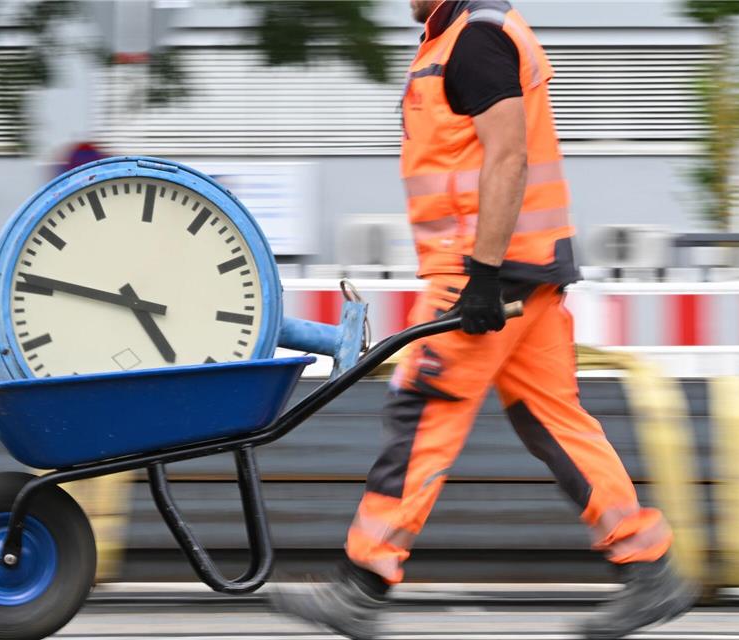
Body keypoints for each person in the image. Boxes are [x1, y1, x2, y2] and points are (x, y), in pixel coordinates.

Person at [270, 2, 698, 639]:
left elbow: (508, 156)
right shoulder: (466, 33)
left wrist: (484, 274)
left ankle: (363, 582)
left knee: (422, 411)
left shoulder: (475, 40)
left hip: (484, 271)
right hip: (528, 267)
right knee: (554, 421)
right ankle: (650, 567)